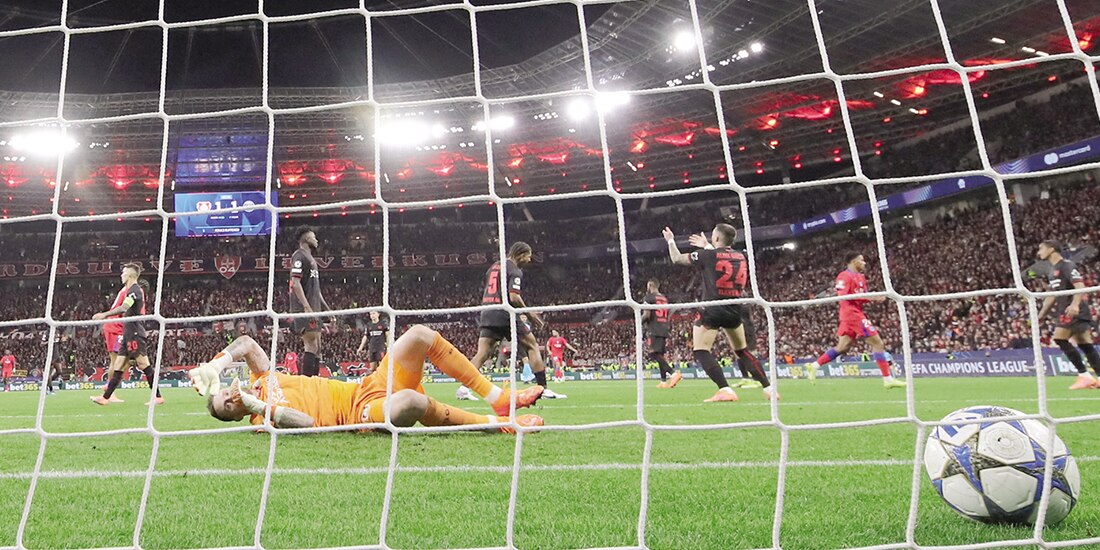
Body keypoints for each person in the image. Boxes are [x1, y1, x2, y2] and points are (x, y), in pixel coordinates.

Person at [192, 325, 544, 432]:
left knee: (420, 335)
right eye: (227, 407)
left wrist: (215, 365)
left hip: (367, 386)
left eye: (225, 394)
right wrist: (259, 406)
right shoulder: (261, 419)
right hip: (361, 415)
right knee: (412, 403)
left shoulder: (261, 377)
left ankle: (498, 396)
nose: (230, 398)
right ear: (234, 415)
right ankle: (500, 423)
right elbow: (307, 421)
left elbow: (247, 344)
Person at [663, 224, 775, 402]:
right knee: (742, 351)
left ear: (715, 239)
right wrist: (707, 245)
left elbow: (677, 259)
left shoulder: (707, 255)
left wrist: (670, 241)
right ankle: (769, 388)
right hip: (734, 309)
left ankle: (725, 389)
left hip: (713, 309)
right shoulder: (741, 256)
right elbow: (721, 258)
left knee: (701, 351)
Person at [470, 242, 565, 399]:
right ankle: (542, 388)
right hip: (505, 314)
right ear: (521, 254)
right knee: (532, 345)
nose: (529, 260)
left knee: (483, 353)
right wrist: (530, 315)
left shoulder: (494, 266)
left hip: (487, 311)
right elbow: (514, 296)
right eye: (528, 256)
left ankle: (463, 388)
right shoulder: (515, 270)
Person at [805, 253, 906, 389]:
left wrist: (873, 297)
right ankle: (887, 379)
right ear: (853, 262)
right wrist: (872, 297)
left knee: (843, 347)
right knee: (877, 343)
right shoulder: (844, 276)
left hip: (855, 312)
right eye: (861, 260)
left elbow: (862, 297)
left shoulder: (861, 277)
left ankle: (814, 365)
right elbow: (842, 296)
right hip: (851, 314)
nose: (864, 263)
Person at [91, 264, 165, 405]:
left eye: (123, 273)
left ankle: (158, 396)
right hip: (128, 333)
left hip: (135, 333)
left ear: (130, 275)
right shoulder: (131, 290)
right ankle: (105, 397)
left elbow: (124, 307)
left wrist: (104, 314)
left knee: (143, 364)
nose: (121, 275)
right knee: (118, 365)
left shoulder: (135, 290)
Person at [1036, 240, 1100, 389]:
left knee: (1059, 338)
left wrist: (1075, 304)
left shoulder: (1067, 265)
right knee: (1085, 345)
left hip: (1073, 310)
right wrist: (1040, 315)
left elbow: (1080, 286)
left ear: (1051, 249)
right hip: (1068, 310)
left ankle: (1084, 375)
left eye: (1041, 248)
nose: (1039, 252)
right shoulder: (1052, 271)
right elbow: (1052, 296)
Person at [289, 226, 333, 377]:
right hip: (305, 308)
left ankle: (314, 380)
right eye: (313, 237)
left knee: (318, 347)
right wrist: (306, 307)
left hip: (315, 308)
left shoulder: (311, 259)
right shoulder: (299, 256)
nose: (316, 239)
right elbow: (295, 283)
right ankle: (307, 382)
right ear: (307, 239)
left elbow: (316, 290)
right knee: (311, 344)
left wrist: (327, 310)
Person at [641, 279, 680, 388]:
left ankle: (673, 373)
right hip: (663, 327)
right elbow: (668, 314)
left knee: (653, 354)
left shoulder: (648, 298)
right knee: (660, 355)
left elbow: (647, 315)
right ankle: (663, 381)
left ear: (649, 285)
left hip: (654, 328)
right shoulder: (664, 298)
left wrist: (638, 321)